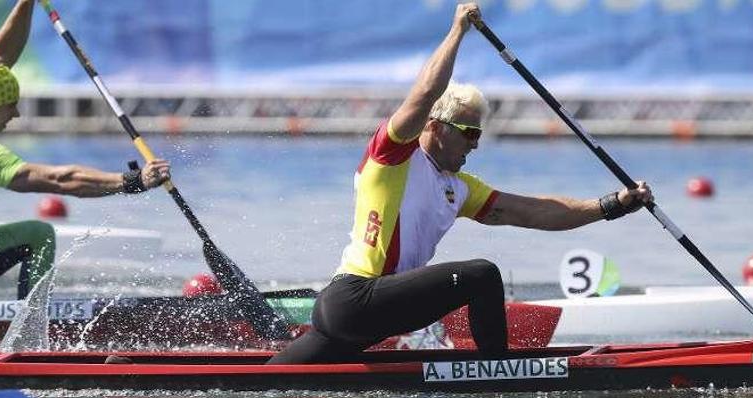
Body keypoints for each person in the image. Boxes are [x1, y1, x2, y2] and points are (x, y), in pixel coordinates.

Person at [268, 3, 653, 364]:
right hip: (356, 297)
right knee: (482, 276)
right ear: (434, 127)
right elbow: (423, 95)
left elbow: (535, 211)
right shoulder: (393, 155)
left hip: (364, 314)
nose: (476, 143)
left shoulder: (460, 188)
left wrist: (613, 205)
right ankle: (496, 376)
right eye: (469, 133)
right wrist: (457, 31)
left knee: (269, 386)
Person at [0, 0, 171, 298]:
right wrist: (133, 181)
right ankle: (30, 331)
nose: (15, 114)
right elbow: (60, 180)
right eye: (9, 105)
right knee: (39, 235)